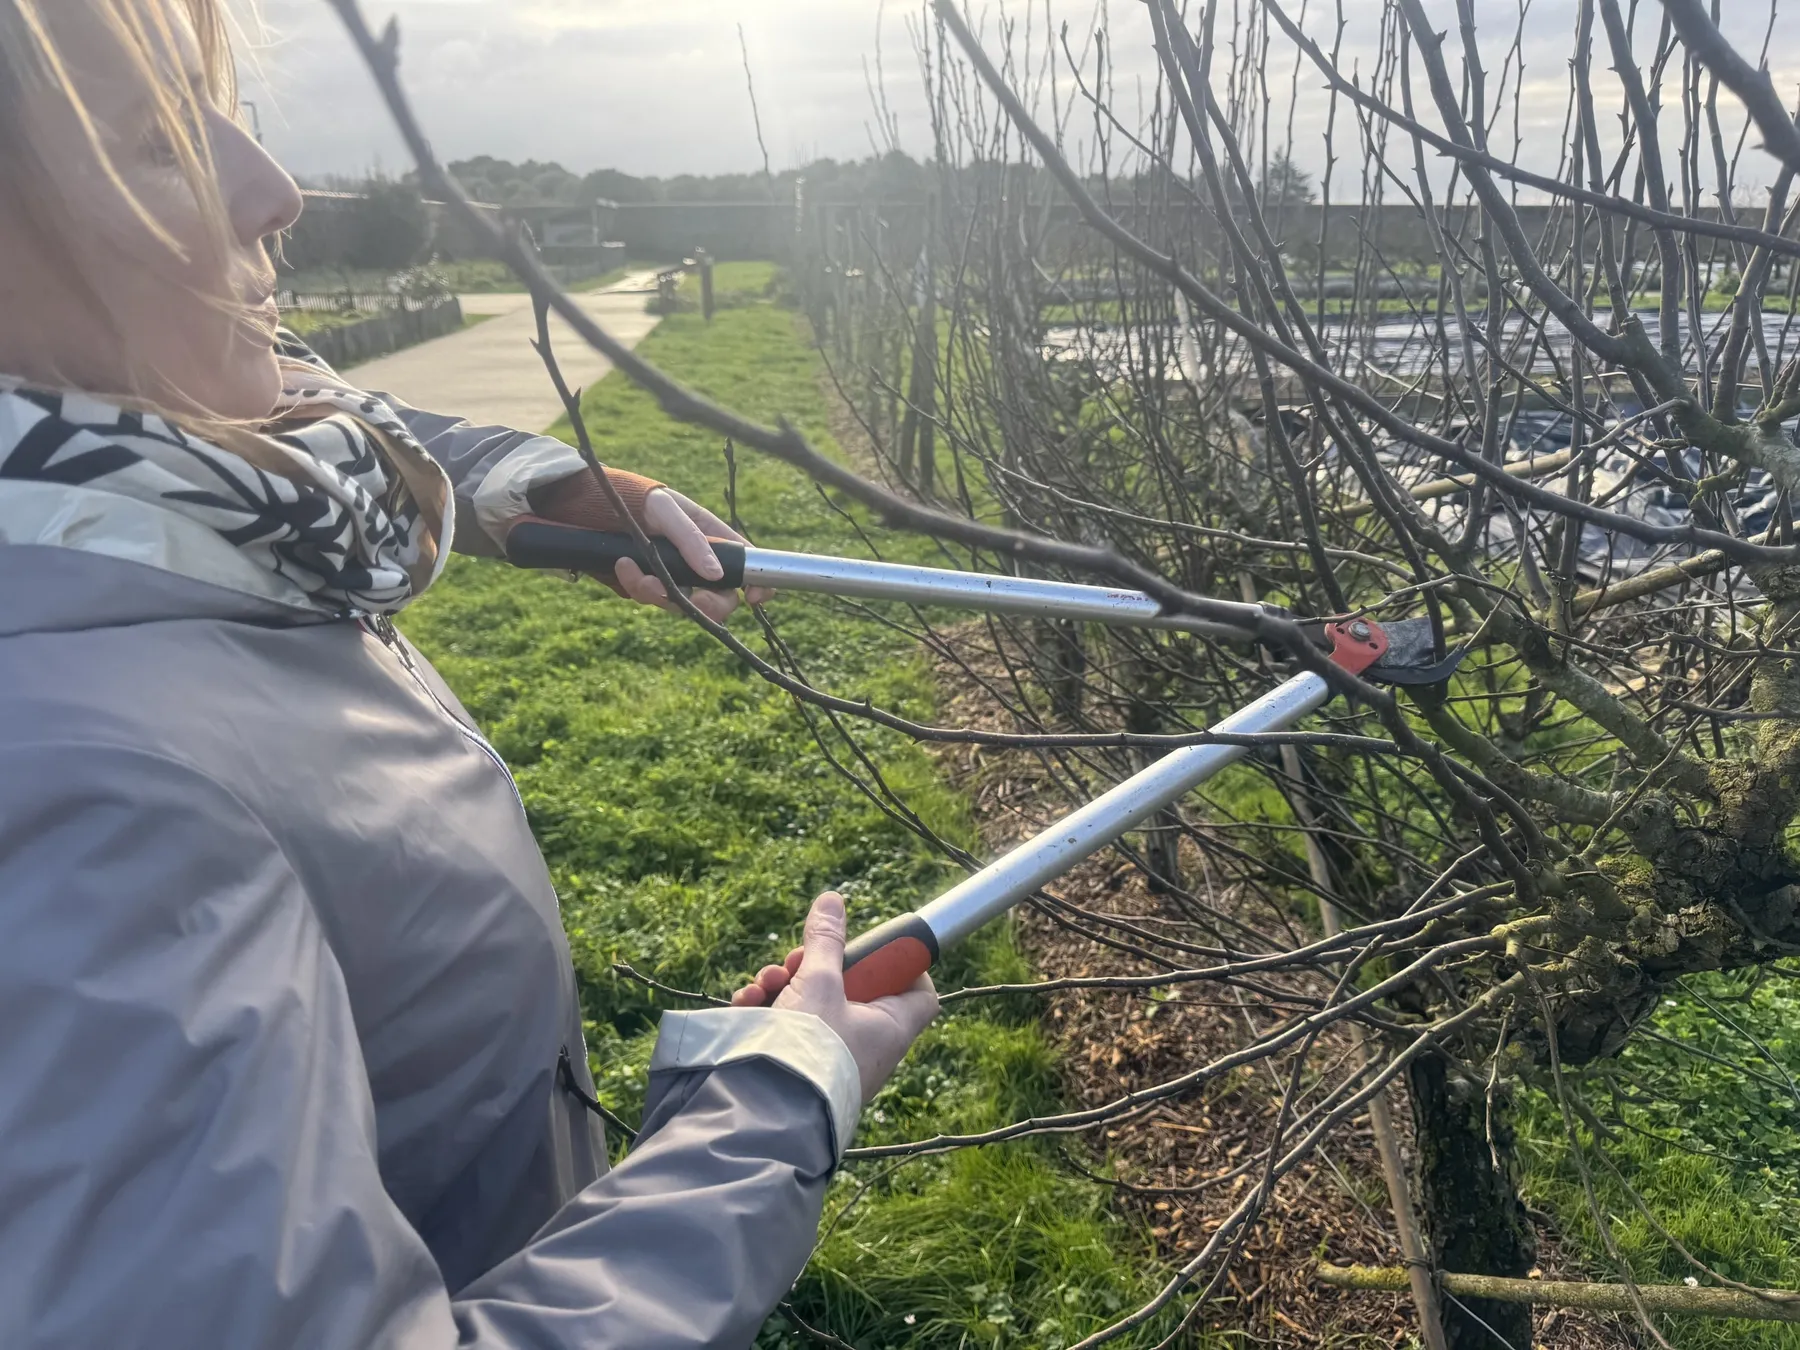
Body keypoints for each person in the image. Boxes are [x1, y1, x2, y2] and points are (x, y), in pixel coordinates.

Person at [0, 2, 939, 1346]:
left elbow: (319, 429)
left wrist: (529, 483)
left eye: (226, 112)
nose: (274, 190)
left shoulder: (161, 500)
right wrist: (774, 1106)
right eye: (155, 143)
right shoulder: (72, 804)